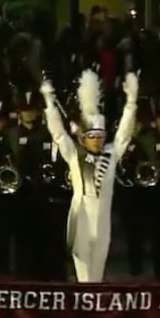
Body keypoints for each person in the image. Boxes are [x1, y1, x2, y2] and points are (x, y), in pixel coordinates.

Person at [39, 69, 139, 282]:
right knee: (83, 274)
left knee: (98, 275)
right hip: (81, 217)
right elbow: (58, 134)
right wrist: (49, 102)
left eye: (100, 137)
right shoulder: (75, 154)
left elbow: (124, 133)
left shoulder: (111, 154)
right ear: (84, 138)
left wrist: (131, 102)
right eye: (92, 137)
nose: (97, 141)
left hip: (103, 219)